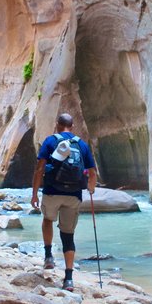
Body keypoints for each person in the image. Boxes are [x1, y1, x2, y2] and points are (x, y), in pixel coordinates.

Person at [30, 112, 97, 291]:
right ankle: (68, 279)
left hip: (52, 192)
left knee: (48, 219)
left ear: (57, 125)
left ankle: (49, 256)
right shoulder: (81, 144)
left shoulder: (50, 141)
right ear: (72, 126)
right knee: (68, 235)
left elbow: (39, 169)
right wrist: (91, 188)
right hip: (74, 195)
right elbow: (92, 172)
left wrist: (35, 193)